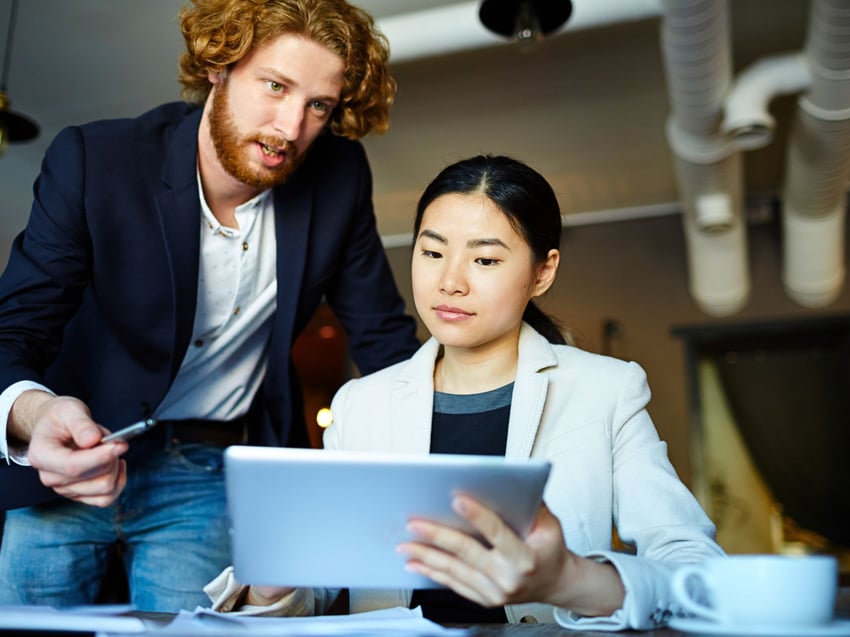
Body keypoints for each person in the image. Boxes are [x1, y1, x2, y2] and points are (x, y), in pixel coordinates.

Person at [0, 0, 419, 612]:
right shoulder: (97, 160)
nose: (290, 127)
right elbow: (13, 330)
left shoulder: (339, 176)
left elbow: (382, 336)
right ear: (219, 66)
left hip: (208, 472)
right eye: (275, 86)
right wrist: (34, 416)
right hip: (68, 466)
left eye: (318, 105)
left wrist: (459, 441)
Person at [204, 154, 726, 630]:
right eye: (432, 252)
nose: (449, 282)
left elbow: (695, 570)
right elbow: (319, 589)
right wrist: (273, 584)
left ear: (543, 272)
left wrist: (568, 579)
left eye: (485, 260)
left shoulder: (604, 391)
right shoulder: (362, 404)